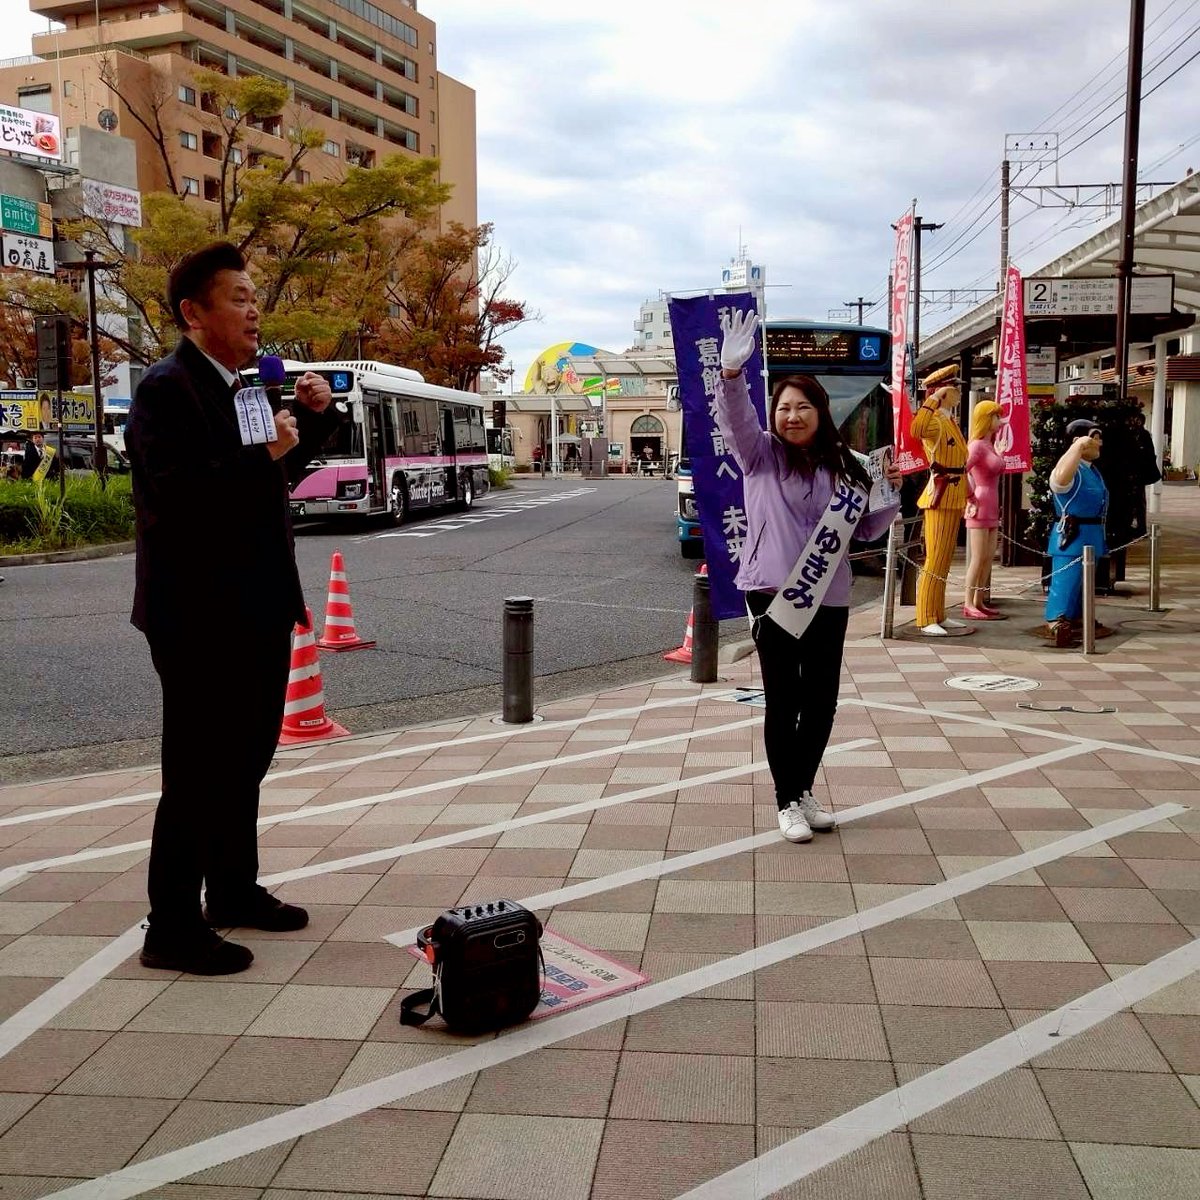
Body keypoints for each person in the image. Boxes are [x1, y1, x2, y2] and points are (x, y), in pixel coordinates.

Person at [127, 241, 340, 975]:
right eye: (239, 297)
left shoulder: (240, 388)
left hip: (253, 603)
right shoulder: (167, 390)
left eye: (255, 297)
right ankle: (172, 925)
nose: (255, 310)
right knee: (197, 768)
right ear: (194, 313)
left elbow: (266, 483)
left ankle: (235, 891)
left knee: (245, 756)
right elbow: (180, 497)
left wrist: (311, 423)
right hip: (197, 613)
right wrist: (268, 454)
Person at [716, 309, 901, 843]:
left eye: (802, 407)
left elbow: (863, 533)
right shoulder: (762, 456)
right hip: (773, 593)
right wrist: (732, 377)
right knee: (785, 698)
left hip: (831, 594)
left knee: (822, 700)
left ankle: (800, 789)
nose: (791, 416)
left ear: (820, 412)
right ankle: (786, 802)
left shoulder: (849, 464)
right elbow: (738, 422)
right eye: (783, 407)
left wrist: (887, 494)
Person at [910, 365, 971, 636]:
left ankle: (938, 613)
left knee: (944, 560)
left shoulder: (949, 421)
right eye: (954, 388)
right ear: (944, 391)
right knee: (934, 558)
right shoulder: (934, 420)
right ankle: (925, 616)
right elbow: (916, 428)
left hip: (955, 492)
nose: (958, 392)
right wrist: (932, 399)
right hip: (940, 493)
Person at [1043, 418, 1110, 648]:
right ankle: (1056, 619)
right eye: (1095, 438)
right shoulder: (1070, 469)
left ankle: (1077, 614)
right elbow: (1059, 480)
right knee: (1065, 580)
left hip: (1091, 533)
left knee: (1084, 582)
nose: (1099, 444)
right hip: (1072, 534)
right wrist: (1078, 445)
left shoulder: (1091, 471)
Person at [962, 400, 1005, 619]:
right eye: (996, 416)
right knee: (978, 558)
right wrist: (970, 495)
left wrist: (1001, 453)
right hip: (979, 502)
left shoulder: (990, 445)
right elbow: (962, 471)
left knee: (988, 557)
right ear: (986, 419)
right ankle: (969, 602)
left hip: (991, 504)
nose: (999, 421)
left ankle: (979, 601)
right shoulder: (977, 446)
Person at [1130, 409, 1161, 537]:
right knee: (1137, 500)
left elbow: (1147, 455)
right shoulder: (1135, 434)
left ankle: (1141, 527)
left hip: (1139, 474)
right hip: (1136, 473)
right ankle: (1137, 526)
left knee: (1139, 500)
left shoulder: (1143, 435)